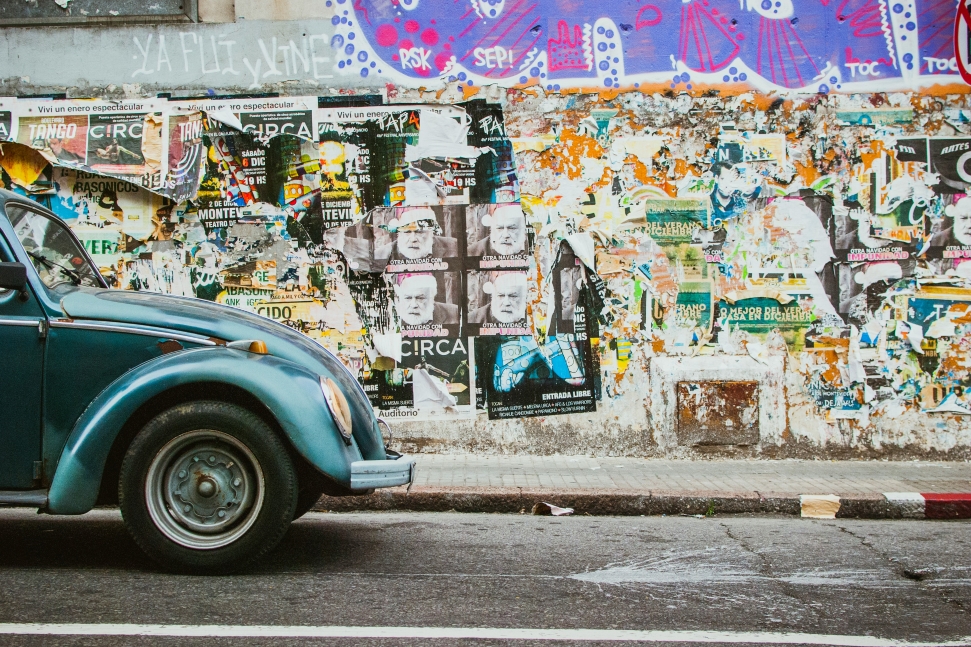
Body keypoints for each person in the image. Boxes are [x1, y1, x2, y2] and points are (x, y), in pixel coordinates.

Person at [376, 207, 457, 262]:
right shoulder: (381, 255)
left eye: (419, 232)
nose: (413, 239)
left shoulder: (454, 246)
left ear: (431, 232)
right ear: (399, 234)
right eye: (407, 232)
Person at [394, 274, 458, 326]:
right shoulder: (392, 319)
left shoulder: (455, 313)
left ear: (432, 297)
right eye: (408, 298)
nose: (413, 305)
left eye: (420, 298)